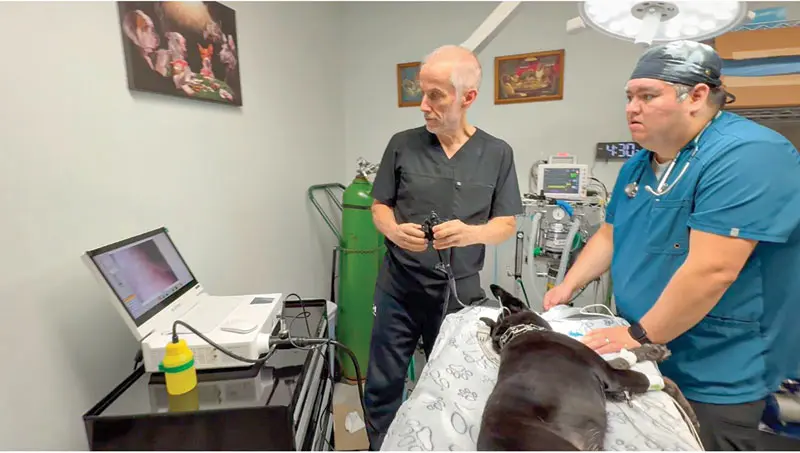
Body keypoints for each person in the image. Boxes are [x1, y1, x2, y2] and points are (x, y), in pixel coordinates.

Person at [544, 40, 800, 451]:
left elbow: (714, 270)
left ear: (697, 96)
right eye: (629, 97)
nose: (632, 108)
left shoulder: (748, 155)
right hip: (646, 349)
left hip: (716, 362)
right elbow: (611, 232)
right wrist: (567, 288)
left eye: (647, 96)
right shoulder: (639, 162)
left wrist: (639, 335)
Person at [363, 44, 523, 450]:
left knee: (452, 383)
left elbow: (505, 224)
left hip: (459, 294)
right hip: (398, 288)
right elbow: (379, 206)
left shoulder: (497, 153)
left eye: (436, 95)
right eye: (423, 93)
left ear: (468, 98)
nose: (424, 105)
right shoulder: (402, 144)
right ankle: (381, 444)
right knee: (383, 383)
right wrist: (395, 232)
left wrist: (470, 233)